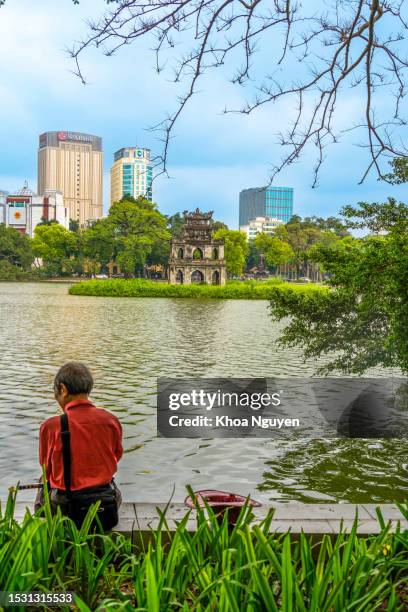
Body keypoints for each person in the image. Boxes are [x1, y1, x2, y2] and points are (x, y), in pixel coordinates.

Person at [35, 362, 123, 529]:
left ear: (63, 389)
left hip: (65, 507)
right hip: (103, 503)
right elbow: (116, 456)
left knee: (43, 481)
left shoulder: (50, 426)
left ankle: (45, 533)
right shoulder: (111, 420)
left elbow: (47, 468)